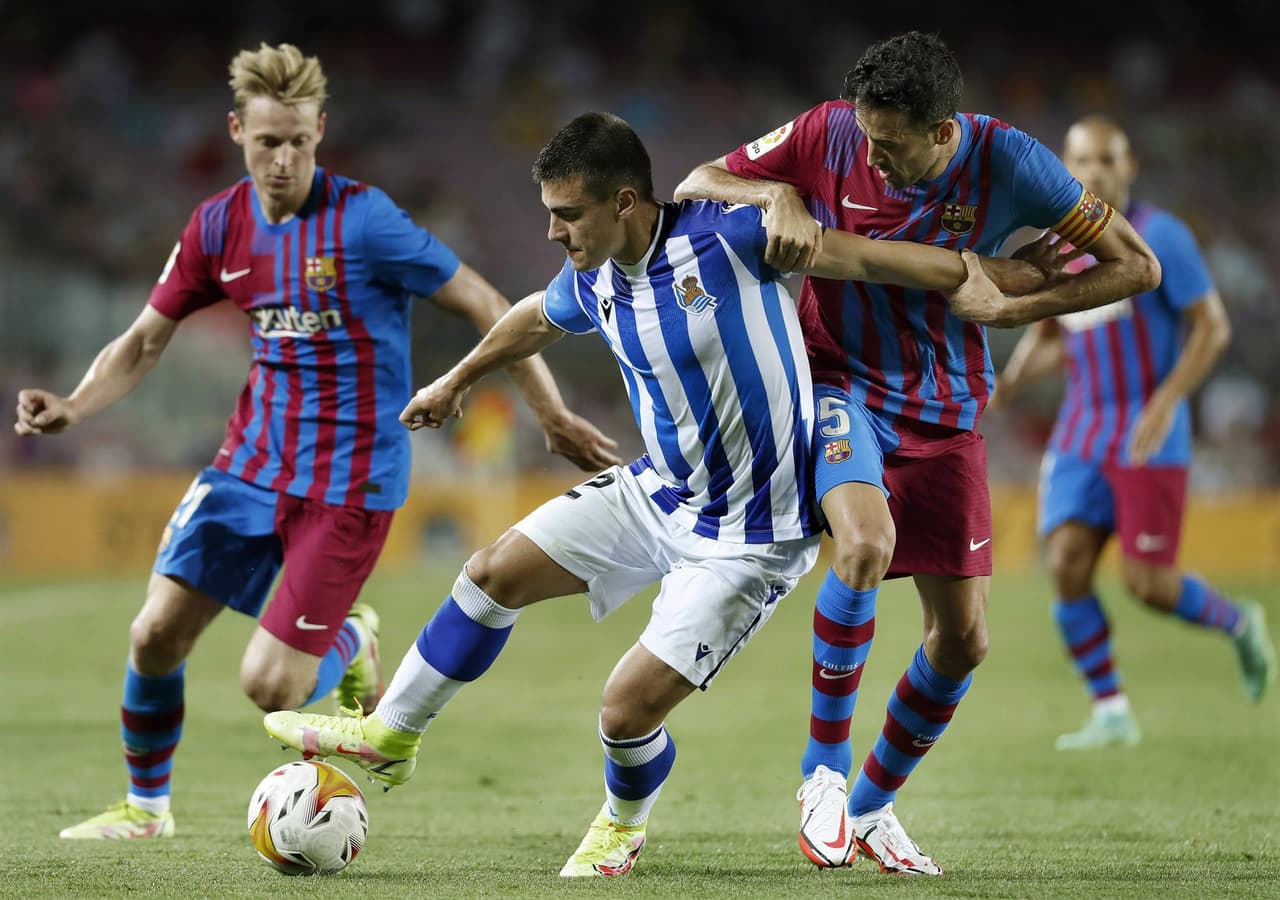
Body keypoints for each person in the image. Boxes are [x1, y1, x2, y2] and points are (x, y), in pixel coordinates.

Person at [261, 111, 1057, 878]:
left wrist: (999, 279)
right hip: (660, 494)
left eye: (567, 215)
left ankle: (622, 823)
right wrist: (456, 379)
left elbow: (874, 260)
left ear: (626, 202)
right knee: (491, 573)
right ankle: (392, 733)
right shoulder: (593, 274)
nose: (553, 233)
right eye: (549, 215)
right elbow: (534, 317)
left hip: (751, 538)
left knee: (623, 714)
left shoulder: (734, 240)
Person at [13, 43, 620, 841]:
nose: (285, 158)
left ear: (320, 131)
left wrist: (549, 415)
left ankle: (354, 638)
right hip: (250, 465)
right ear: (238, 132)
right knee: (153, 634)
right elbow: (140, 342)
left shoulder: (364, 219)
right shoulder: (217, 226)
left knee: (269, 688)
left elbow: (484, 300)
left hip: (349, 482)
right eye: (269, 142)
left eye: (300, 140)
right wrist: (75, 406)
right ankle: (146, 809)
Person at [674, 31, 1162, 874]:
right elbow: (695, 183)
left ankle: (869, 808)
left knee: (964, 641)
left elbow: (1138, 266)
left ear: (944, 133)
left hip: (945, 407)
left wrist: (1014, 310)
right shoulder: (827, 131)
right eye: (865, 138)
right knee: (863, 543)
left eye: (890, 145)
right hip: (836, 385)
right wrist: (774, 199)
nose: (870, 157)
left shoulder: (1013, 162)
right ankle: (821, 774)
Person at [995, 116, 1276, 749]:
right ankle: (1111, 709)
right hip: (1080, 430)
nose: (1094, 172)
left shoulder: (1161, 236)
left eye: (1106, 160)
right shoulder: (1057, 244)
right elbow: (1050, 333)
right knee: (1065, 562)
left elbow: (1212, 327)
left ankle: (1240, 623)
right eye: (1081, 161)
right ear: (1064, 169)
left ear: (1129, 167)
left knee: (1147, 583)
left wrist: (1168, 401)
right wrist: (1009, 384)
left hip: (1148, 428)